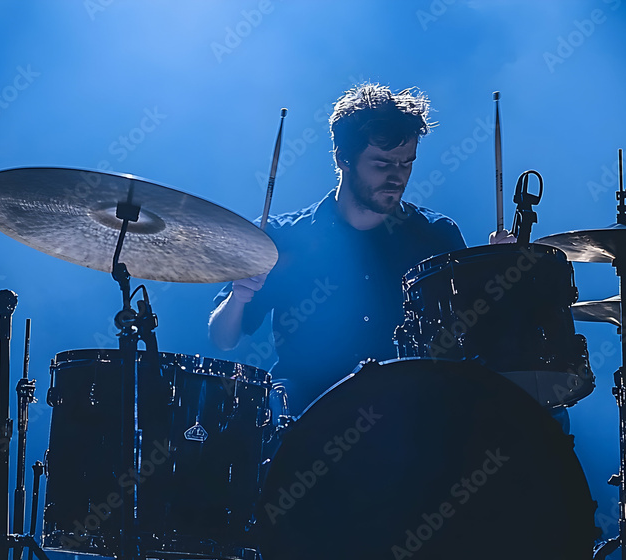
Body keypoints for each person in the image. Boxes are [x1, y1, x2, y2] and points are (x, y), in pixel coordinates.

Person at [209, 83, 494, 411]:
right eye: (382, 164)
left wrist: (494, 268)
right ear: (343, 158)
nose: (397, 176)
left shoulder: (435, 235)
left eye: (406, 163)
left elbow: (476, 339)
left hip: (409, 418)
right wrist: (238, 297)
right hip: (306, 415)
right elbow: (223, 338)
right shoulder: (282, 237)